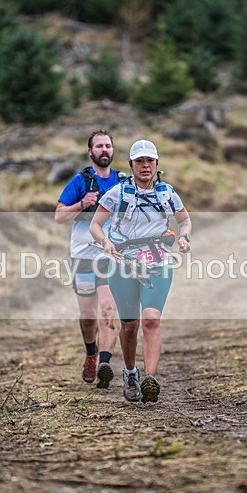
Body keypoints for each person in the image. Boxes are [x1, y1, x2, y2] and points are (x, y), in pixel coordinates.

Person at [89, 140, 192, 403]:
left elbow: (184, 219)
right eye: (139, 161)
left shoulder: (167, 193)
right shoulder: (117, 193)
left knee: (151, 319)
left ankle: (151, 378)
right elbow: (95, 226)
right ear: (132, 165)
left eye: (150, 161)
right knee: (130, 326)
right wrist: (106, 242)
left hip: (158, 262)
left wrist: (184, 237)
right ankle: (131, 372)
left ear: (157, 164)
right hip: (123, 263)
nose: (145, 166)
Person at [55, 130, 121, 388]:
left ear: (113, 151)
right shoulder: (79, 181)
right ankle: (91, 353)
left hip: (110, 255)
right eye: (99, 146)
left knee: (108, 308)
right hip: (82, 257)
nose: (104, 150)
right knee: (88, 314)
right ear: (90, 152)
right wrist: (82, 204)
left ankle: (105, 363)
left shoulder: (122, 182)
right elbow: (59, 216)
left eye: (108, 146)